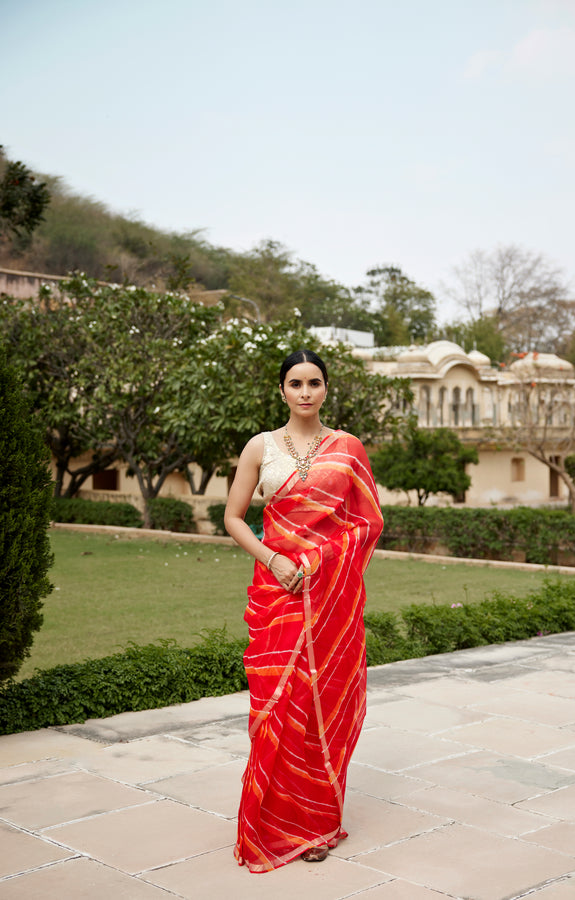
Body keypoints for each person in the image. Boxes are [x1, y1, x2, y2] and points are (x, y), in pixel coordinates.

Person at [224, 348, 383, 873]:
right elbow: (234, 518)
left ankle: (315, 822)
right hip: (279, 594)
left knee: (323, 701)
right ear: (282, 391)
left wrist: (319, 559)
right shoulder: (260, 447)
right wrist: (275, 559)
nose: (306, 392)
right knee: (277, 704)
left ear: (326, 388)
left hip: (331, 597)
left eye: (315, 382)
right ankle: (273, 820)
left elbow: (365, 523)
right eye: (296, 383)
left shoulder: (348, 448)